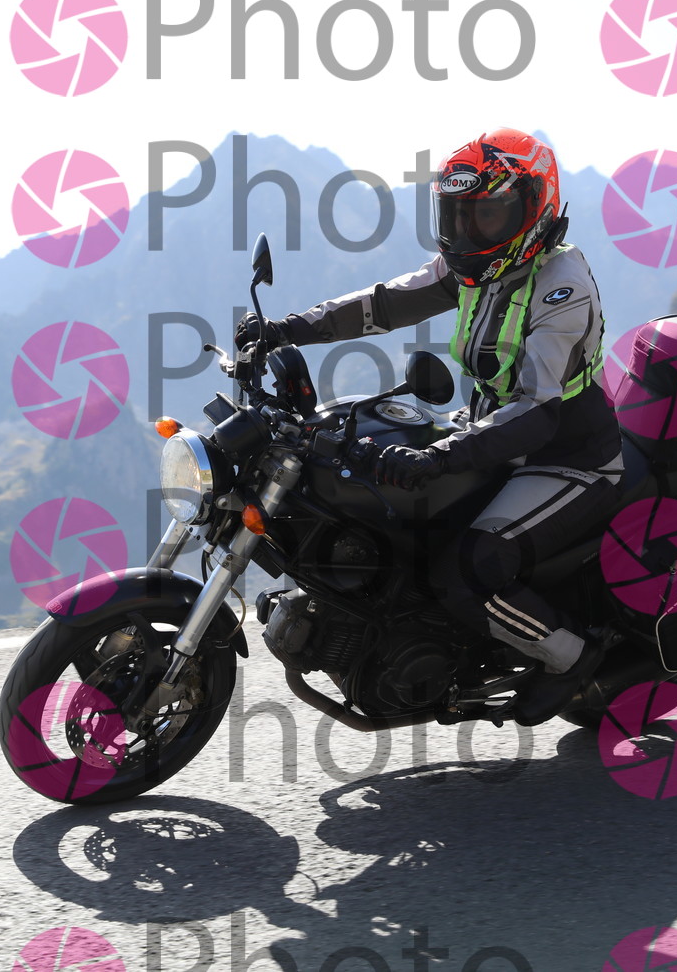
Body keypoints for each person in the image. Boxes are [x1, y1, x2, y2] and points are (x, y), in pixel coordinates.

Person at [235, 128, 623, 726]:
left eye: (487, 215)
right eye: (458, 215)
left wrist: (440, 457)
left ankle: (571, 658)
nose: (469, 232)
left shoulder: (561, 288)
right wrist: (287, 330)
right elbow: (384, 304)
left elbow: (537, 409)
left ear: (534, 209)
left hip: (565, 456)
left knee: (467, 570)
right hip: (492, 432)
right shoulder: (473, 270)